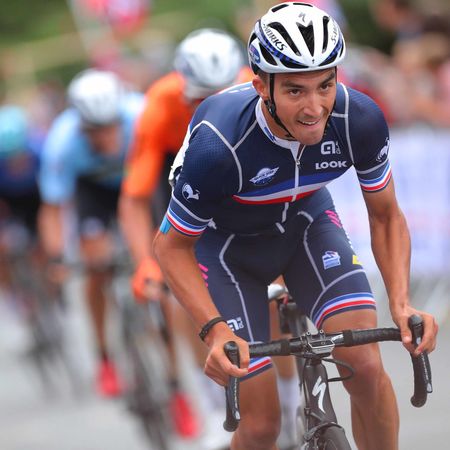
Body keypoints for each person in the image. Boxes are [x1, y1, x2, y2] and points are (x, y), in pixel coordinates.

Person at [153, 3, 438, 450]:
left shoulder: (358, 118)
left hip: (306, 228)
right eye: (295, 90)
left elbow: (385, 215)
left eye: (325, 85)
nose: (314, 107)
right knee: (261, 426)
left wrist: (401, 303)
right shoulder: (220, 144)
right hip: (227, 254)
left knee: (364, 365)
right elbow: (170, 247)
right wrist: (214, 329)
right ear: (260, 86)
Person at [119, 28, 252, 443]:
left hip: (236, 162)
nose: (211, 107)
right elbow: (136, 198)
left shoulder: (255, 86)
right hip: (176, 168)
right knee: (181, 292)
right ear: (183, 89)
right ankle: (214, 407)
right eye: (200, 99)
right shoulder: (160, 104)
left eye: (221, 96)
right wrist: (145, 263)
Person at [38, 69, 144, 398]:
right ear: (81, 127)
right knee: (96, 267)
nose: (106, 138)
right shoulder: (62, 143)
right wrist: (57, 257)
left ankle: (173, 381)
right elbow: (53, 209)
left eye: (111, 127)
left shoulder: (140, 115)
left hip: (135, 182)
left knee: (155, 257)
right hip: (92, 192)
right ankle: (104, 357)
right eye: (95, 131)